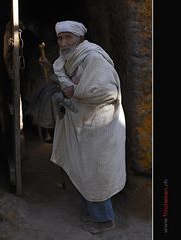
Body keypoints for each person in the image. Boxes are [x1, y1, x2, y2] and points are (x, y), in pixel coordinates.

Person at [40, 20, 126, 234]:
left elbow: (108, 92)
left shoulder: (93, 57)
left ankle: (105, 220)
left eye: (68, 37)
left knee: (95, 172)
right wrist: (53, 75)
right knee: (85, 170)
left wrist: (75, 92)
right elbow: (65, 79)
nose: (63, 42)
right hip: (82, 125)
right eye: (60, 38)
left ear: (80, 38)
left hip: (99, 127)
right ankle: (96, 214)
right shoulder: (67, 59)